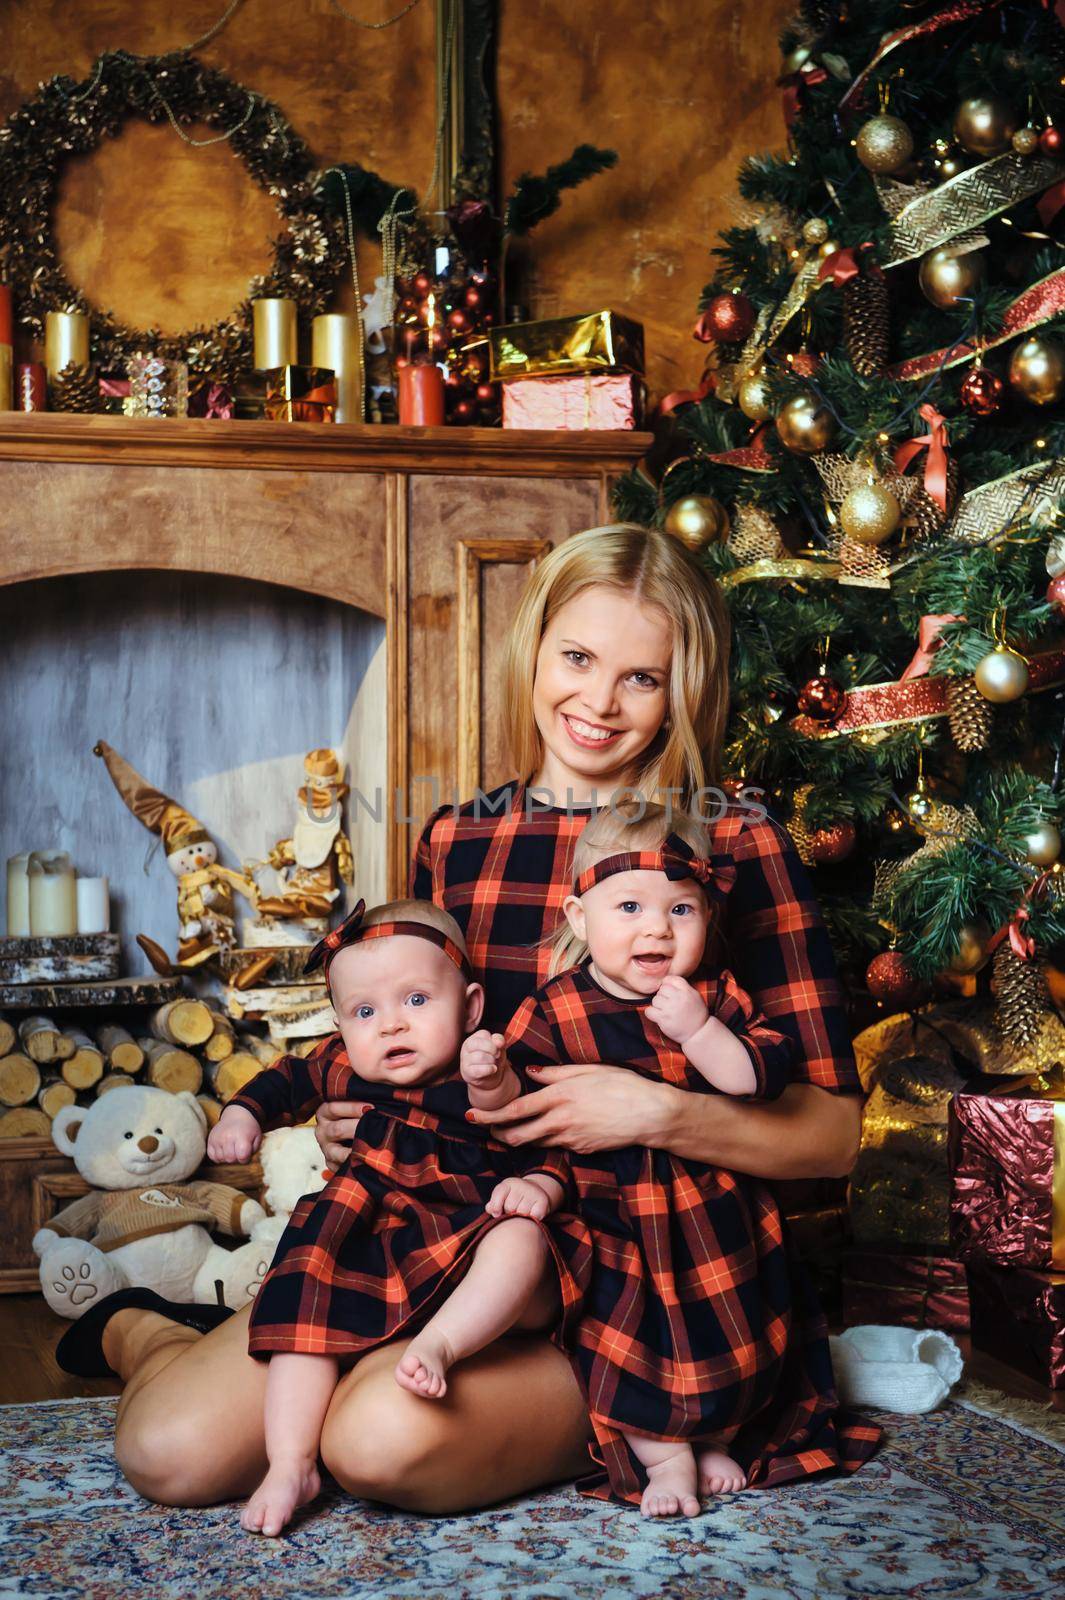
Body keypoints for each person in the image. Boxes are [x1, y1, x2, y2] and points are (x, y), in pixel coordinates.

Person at [63, 524, 874, 1515]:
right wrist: (343, 1108)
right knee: (170, 1453)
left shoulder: (733, 839)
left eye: (642, 677)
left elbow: (834, 1137)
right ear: (532, 646)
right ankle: (147, 1324)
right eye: (577, 657)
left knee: (374, 1437)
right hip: (440, 1222)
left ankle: (431, 1373)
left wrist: (650, 1112)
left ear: (684, 690)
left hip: (644, 1283)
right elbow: (394, 1022)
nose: (598, 702)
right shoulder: (460, 835)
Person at [490, 799, 846, 1518]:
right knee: (625, 1338)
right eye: (628, 906)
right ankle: (666, 1460)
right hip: (611, 1219)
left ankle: (723, 1437)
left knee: (737, 1335)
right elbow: (512, 1106)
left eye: (680, 909)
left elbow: (756, 1078)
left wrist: (700, 1031)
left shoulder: (714, 996)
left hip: (716, 1214)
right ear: (578, 916)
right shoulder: (556, 1006)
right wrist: (482, 1070)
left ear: (706, 919)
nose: (655, 928)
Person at [204, 898, 580, 1536]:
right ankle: (290, 1461)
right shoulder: (341, 1065)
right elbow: (282, 1079)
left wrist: (541, 1182)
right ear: (341, 1025)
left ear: (470, 1005)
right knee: (303, 1311)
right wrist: (242, 1115)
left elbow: (542, 1135)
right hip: (368, 1235)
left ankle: (443, 1343)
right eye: (365, 1012)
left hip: (468, 1227)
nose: (391, 1027)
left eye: (415, 1001)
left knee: (522, 1236)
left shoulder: (483, 1064)